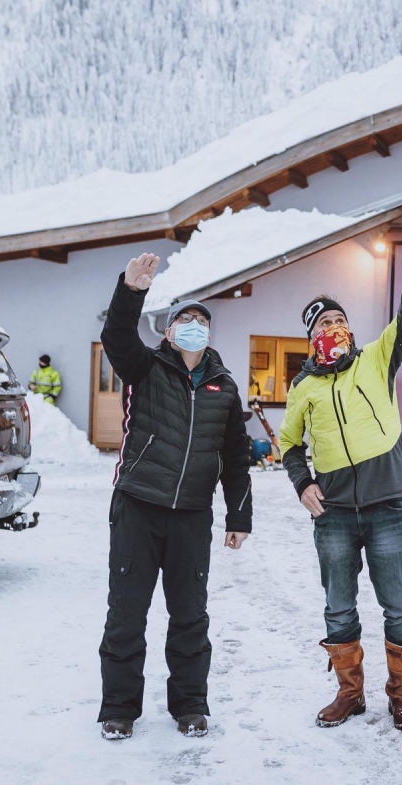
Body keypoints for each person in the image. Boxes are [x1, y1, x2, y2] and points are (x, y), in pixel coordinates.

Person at [97, 252, 253, 741]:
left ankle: (190, 706)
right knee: (127, 614)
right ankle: (119, 709)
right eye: (185, 320)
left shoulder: (224, 387)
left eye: (202, 322)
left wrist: (239, 516)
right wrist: (131, 291)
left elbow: (235, 456)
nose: (194, 327)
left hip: (191, 516)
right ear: (168, 332)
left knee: (190, 616)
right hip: (138, 506)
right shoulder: (145, 368)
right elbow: (116, 337)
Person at [278, 259, 402, 732]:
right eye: (324, 322)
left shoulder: (375, 358)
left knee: (399, 605)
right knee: (338, 606)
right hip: (334, 515)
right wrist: (302, 482)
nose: (334, 327)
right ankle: (350, 693)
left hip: (387, 507)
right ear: (311, 336)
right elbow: (289, 443)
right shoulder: (303, 386)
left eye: (339, 319)